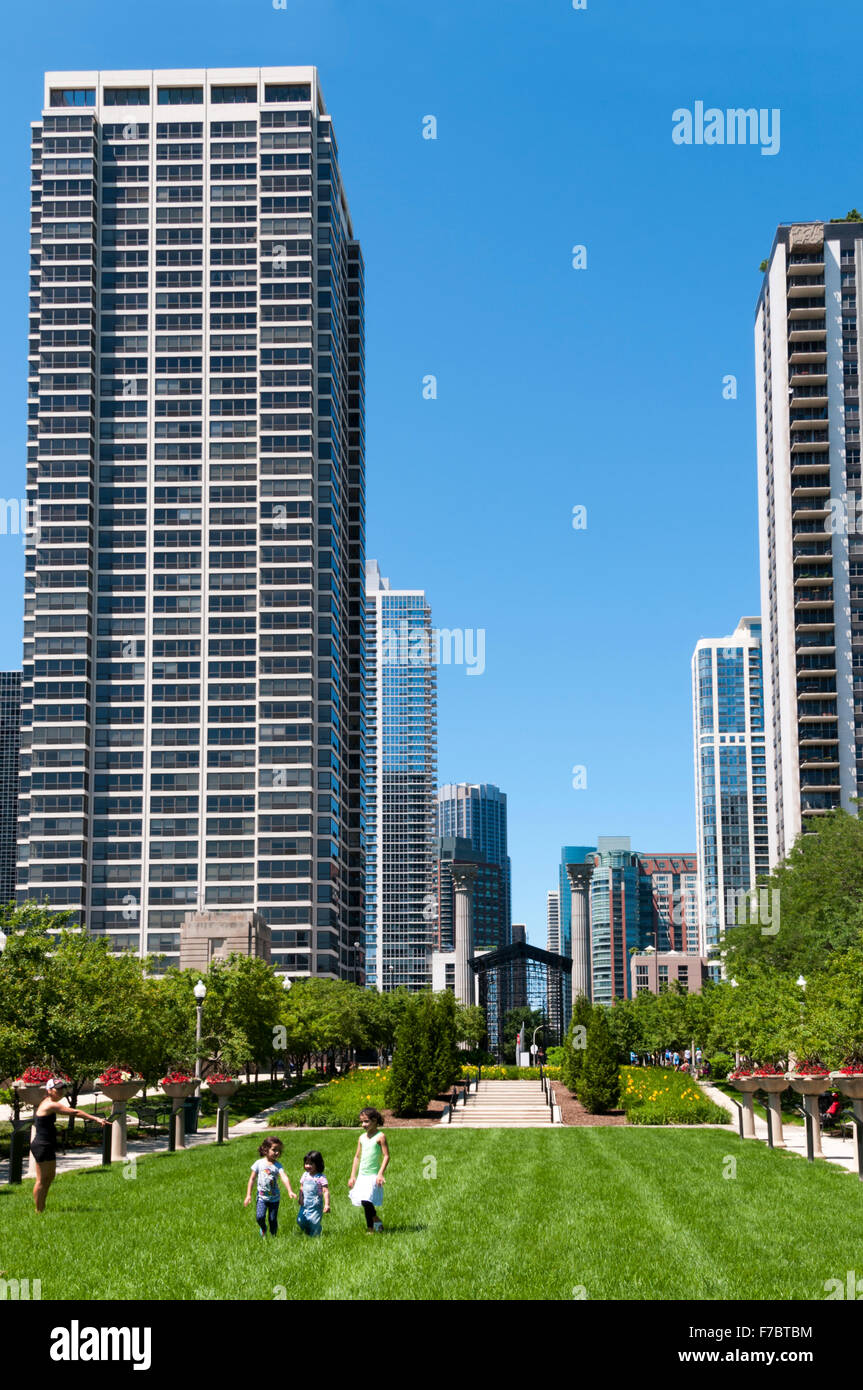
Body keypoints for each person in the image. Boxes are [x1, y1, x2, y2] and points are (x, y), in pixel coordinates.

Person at [32, 1077, 112, 1213]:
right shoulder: (50, 1104)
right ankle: (38, 1211)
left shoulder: (48, 1102)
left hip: (47, 1143)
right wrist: (96, 1118)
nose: (61, 1092)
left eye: (62, 1089)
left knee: (49, 1178)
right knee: (42, 1180)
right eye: (57, 1089)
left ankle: (42, 1208)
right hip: (42, 1145)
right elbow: (74, 1112)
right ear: (49, 1090)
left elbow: (43, 1125)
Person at [348, 1106, 389, 1234]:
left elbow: (386, 1156)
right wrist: (352, 1175)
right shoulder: (361, 1138)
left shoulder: (380, 1136)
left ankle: (371, 1228)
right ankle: (375, 1221)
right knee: (364, 1202)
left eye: (366, 1121)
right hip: (362, 1175)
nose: (363, 1124)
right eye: (362, 1122)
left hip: (373, 1175)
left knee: (367, 1200)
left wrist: (380, 1173)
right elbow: (356, 1157)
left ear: (375, 1120)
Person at [244, 1136, 295, 1237]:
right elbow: (252, 1179)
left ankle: (273, 1236)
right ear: (265, 1149)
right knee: (260, 1217)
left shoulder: (278, 1166)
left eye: (279, 1150)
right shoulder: (258, 1163)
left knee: (272, 1219)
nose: (277, 1153)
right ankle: (263, 1228)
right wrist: (248, 1195)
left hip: (274, 1198)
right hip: (262, 1197)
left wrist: (290, 1190)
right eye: (274, 1150)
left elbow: (284, 1177)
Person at [296, 1150, 329, 1237]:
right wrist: (300, 1198)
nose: (308, 1166)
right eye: (306, 1163)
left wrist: (327, 1204)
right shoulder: (305, 1175)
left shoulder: (321, 1177)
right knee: (300, 1220)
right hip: (305, 1203)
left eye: (311, 1164)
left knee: (314, 1221)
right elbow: (301, 1187)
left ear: (317, 1164)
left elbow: (325, 1191)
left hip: (316, 1205)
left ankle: (315, 1234)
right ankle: (307, 1230)